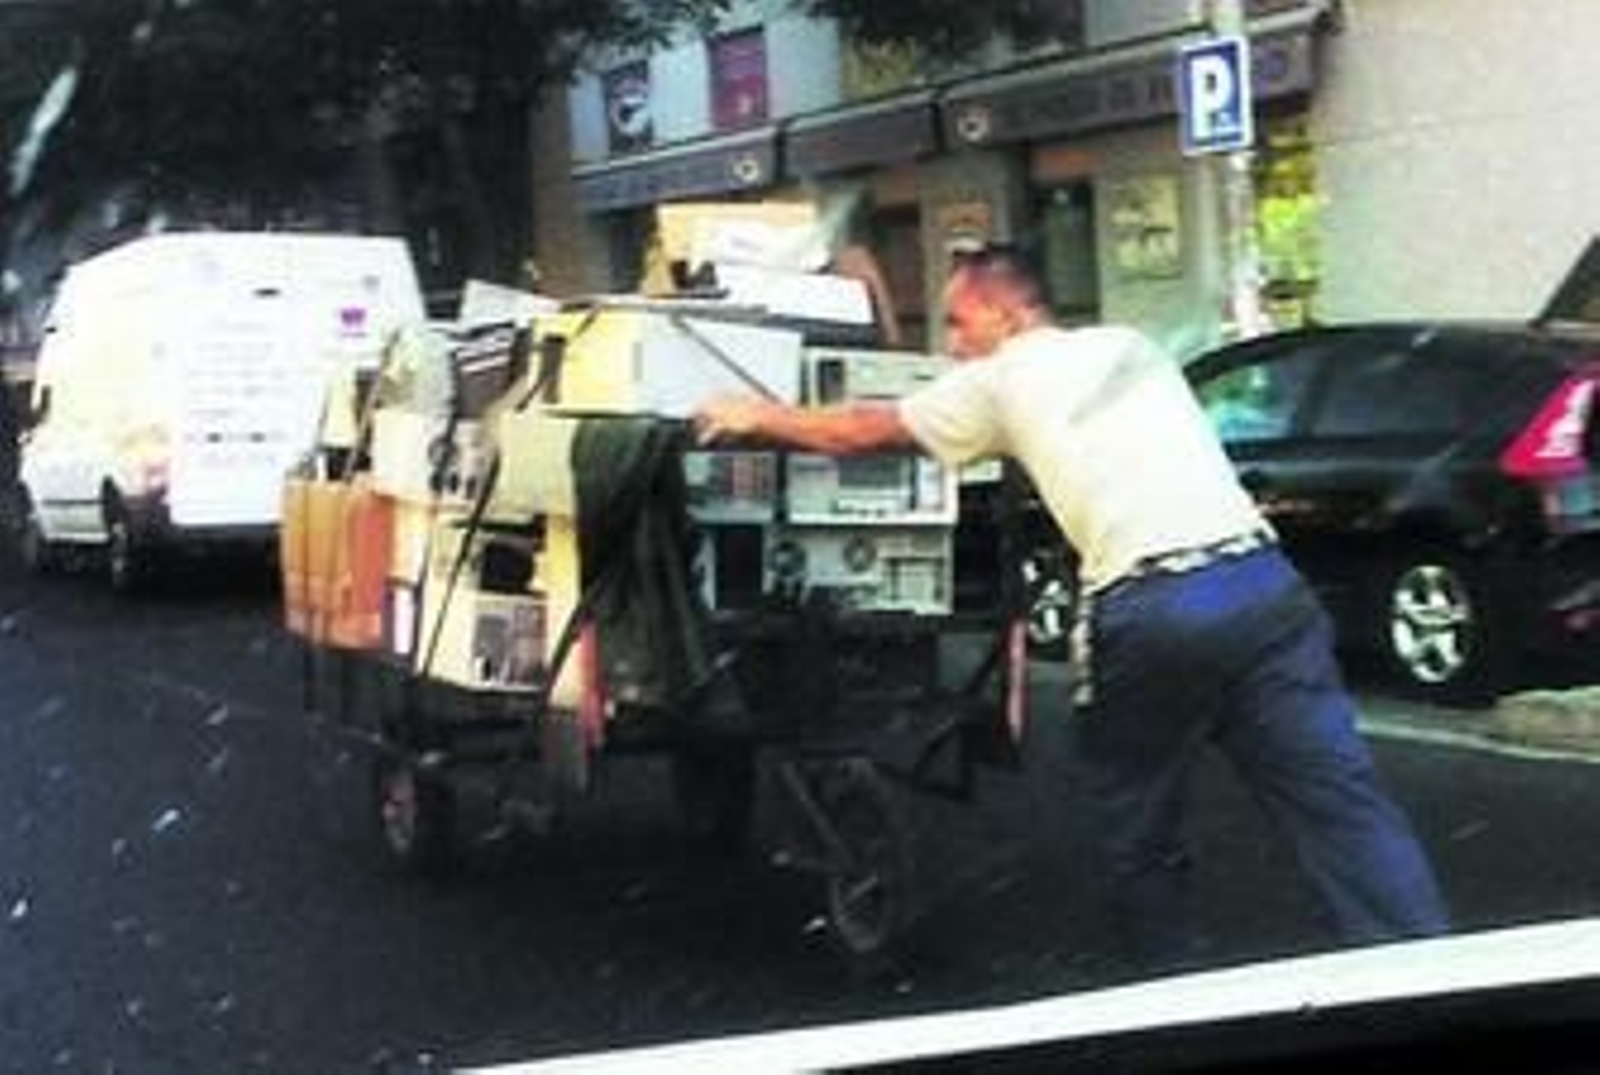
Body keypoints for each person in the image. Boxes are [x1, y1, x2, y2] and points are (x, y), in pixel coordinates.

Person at [694, 244, 1450, 971]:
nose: (953, 346)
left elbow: (862, 430)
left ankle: (1177, 989)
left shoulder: (1002, 378)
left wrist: (754, 414)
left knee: (1138, 820)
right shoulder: (1131, 346)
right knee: (1340, 802)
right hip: (1263, 587)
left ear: (1006, 311)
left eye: (959, 323)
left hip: (1154, 607)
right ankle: (1420, 973)